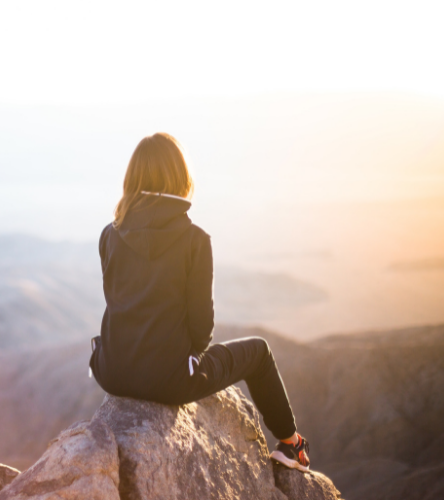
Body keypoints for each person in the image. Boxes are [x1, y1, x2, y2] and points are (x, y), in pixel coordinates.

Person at [88, 132, 310, 472]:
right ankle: (291, 444)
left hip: (110, 371)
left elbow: (118, 302)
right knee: (260, 352)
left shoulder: (109, 233)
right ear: (181, 177)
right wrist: (180, 362)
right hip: (170, 380)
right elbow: (202, 331)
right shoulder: (195, 240)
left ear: (132, 178)